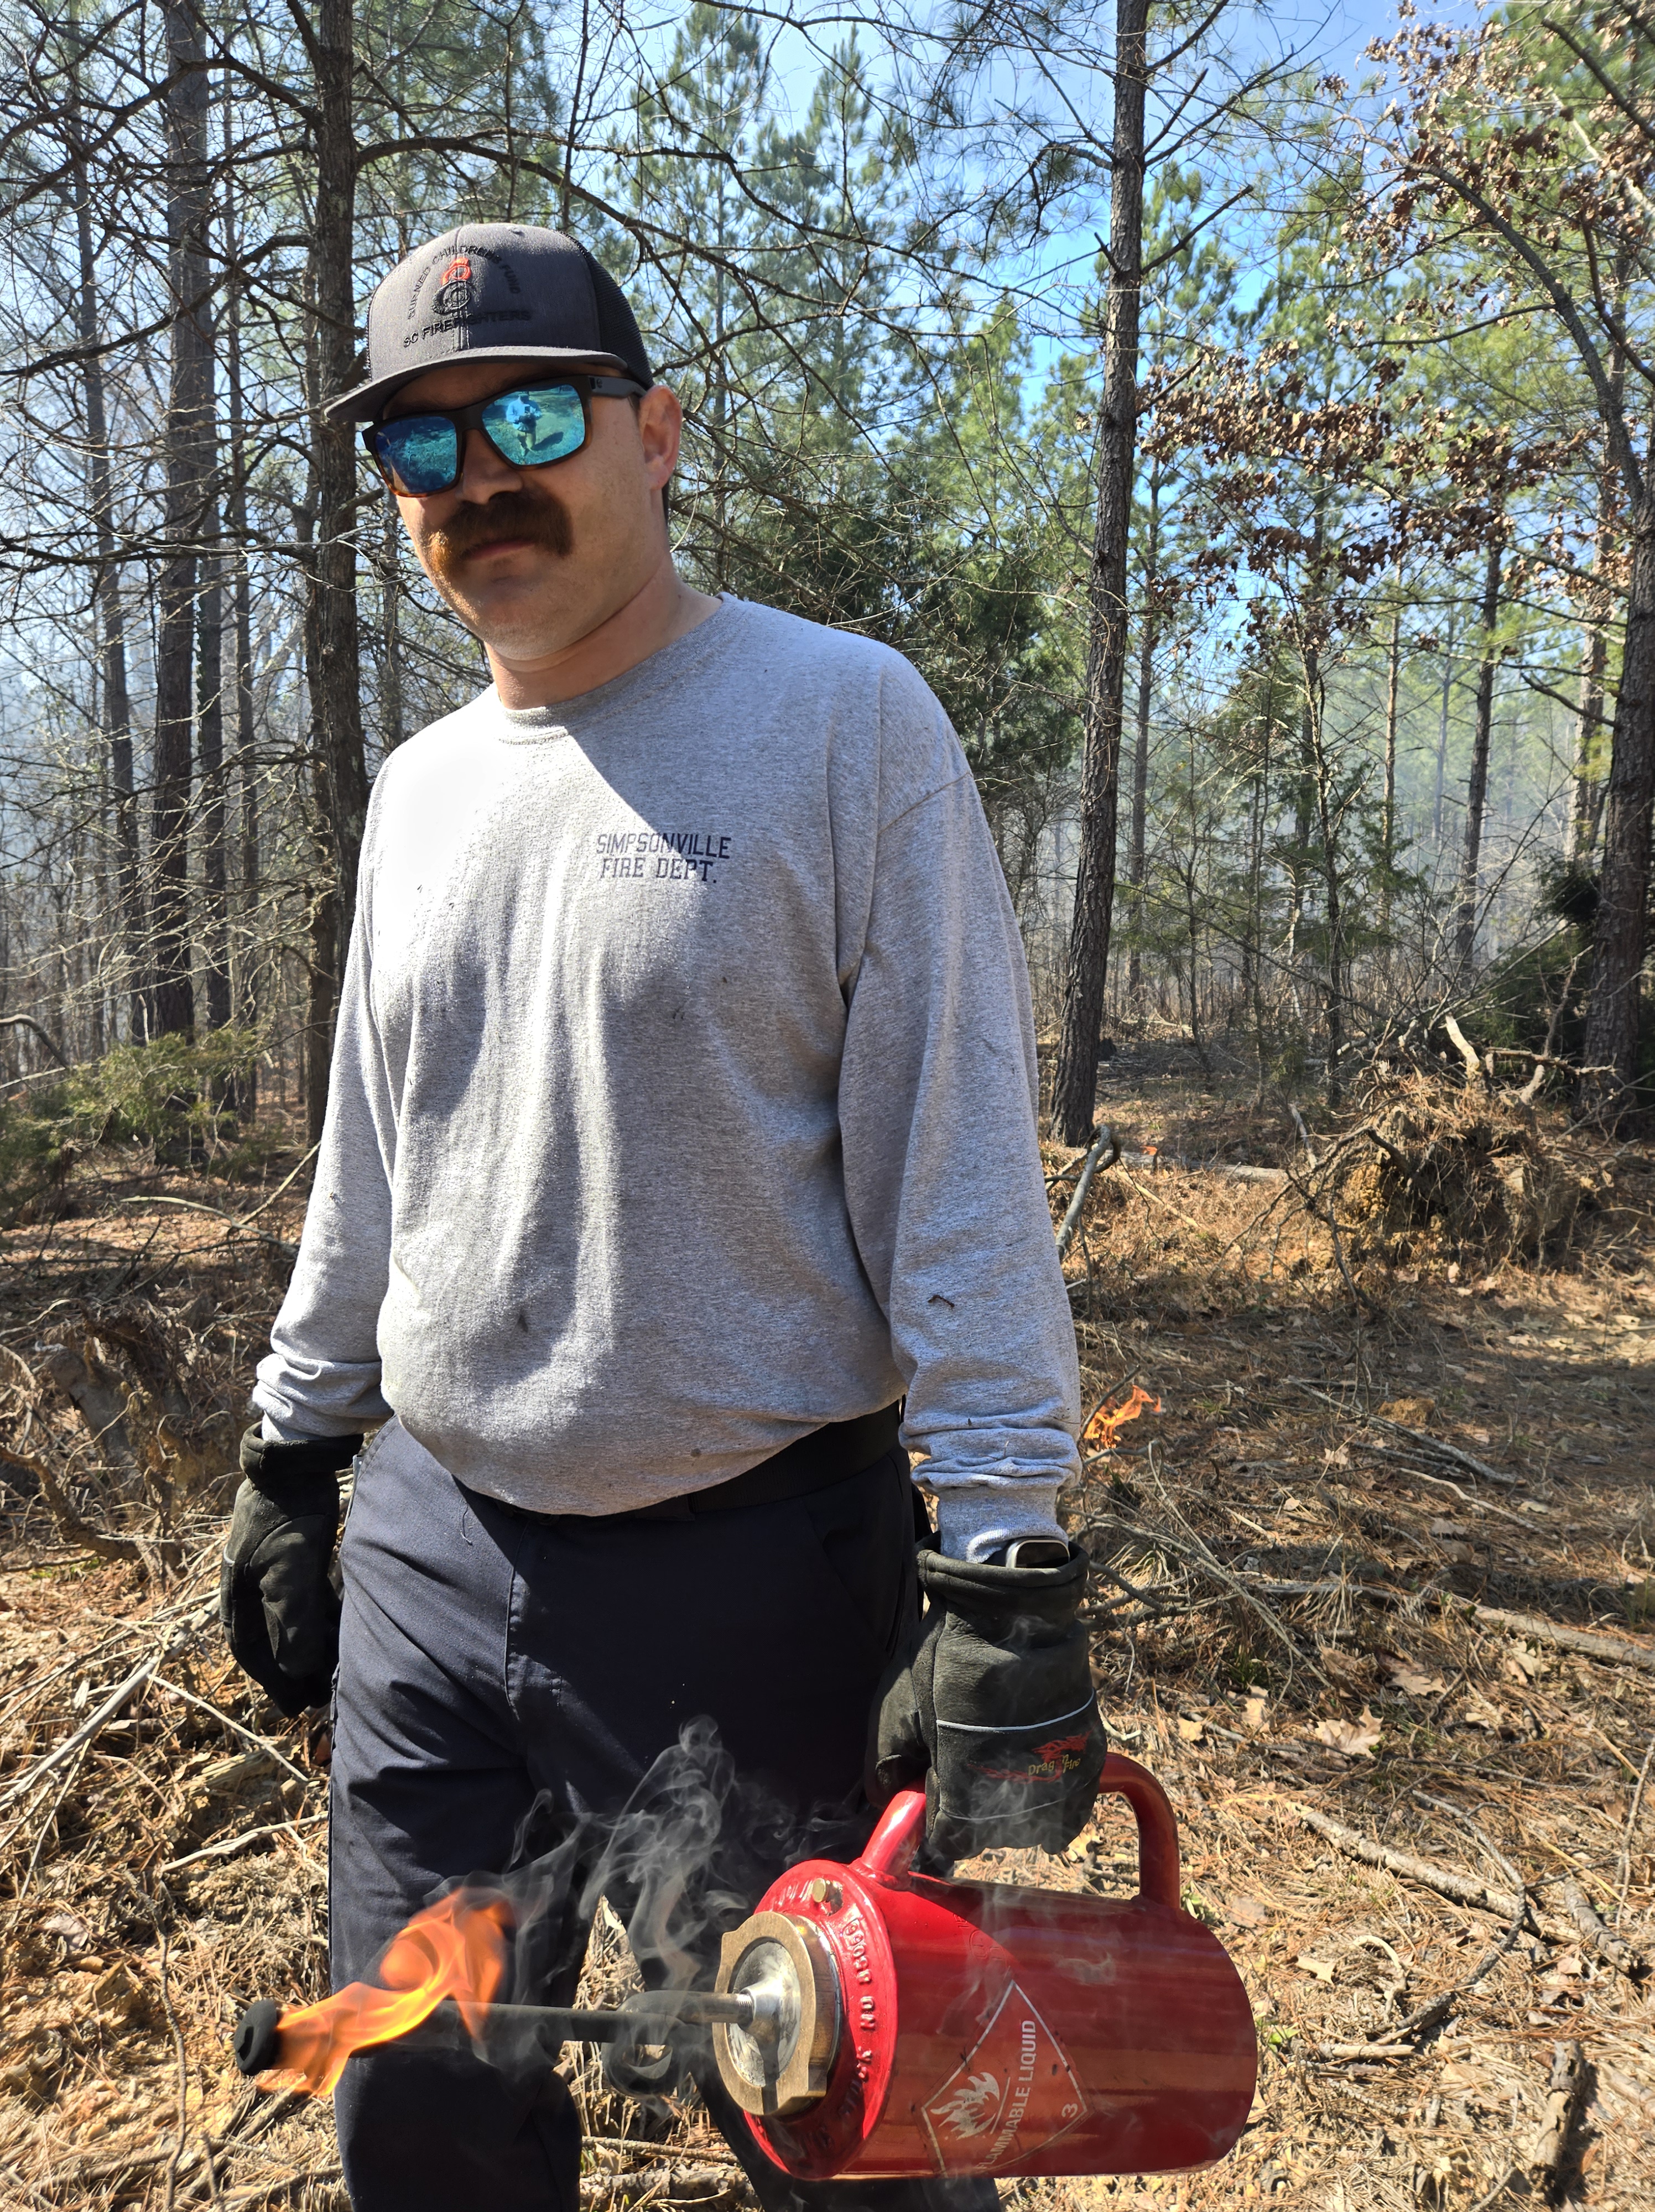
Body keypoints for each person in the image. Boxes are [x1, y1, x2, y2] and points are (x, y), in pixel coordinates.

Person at [220, 223, 1106, 2212]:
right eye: (421, 448)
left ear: (661, 434)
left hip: (755, 1579)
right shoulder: (422, 791)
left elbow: (955, 1161)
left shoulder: (840, 723)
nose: (479, 480)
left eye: (532, 414)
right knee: (421, 2111)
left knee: (844, 2130)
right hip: (436, 1570)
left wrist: (1006, 1552)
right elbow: (378, 1150)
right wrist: (297, 1441)